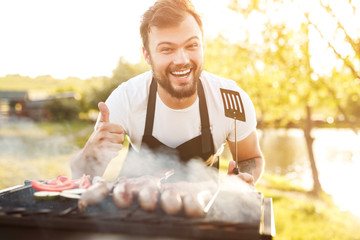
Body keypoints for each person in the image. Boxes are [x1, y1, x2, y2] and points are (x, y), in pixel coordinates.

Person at [71, 0, 264, 185]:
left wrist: (245, 178)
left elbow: (250, 158)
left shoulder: (230, 99)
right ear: (147, 55)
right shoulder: (126, 99)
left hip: (202, 210)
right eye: (167, 49)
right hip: (135, 209)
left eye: (191, 45)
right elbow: (83, 176)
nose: (182, 59)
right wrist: (89, 154)